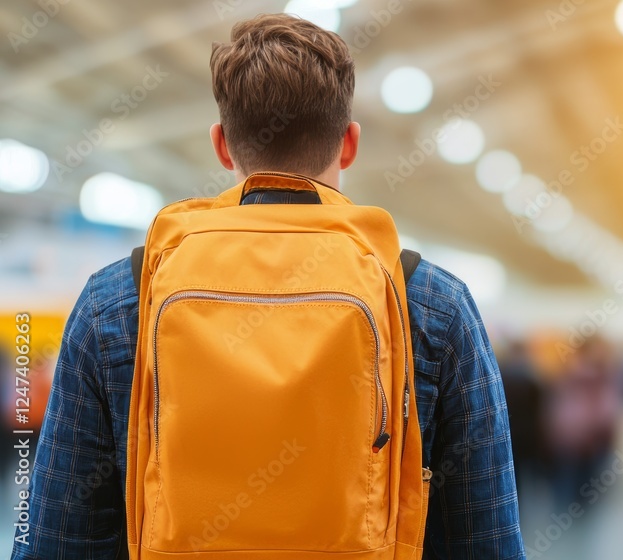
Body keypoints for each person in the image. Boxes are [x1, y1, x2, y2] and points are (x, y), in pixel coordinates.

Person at [11, 14, 525, 560]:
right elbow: (484, 539)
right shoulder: (429, 302)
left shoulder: (120, 299)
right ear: (348, 143)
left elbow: (56, 540)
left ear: (222, 145)